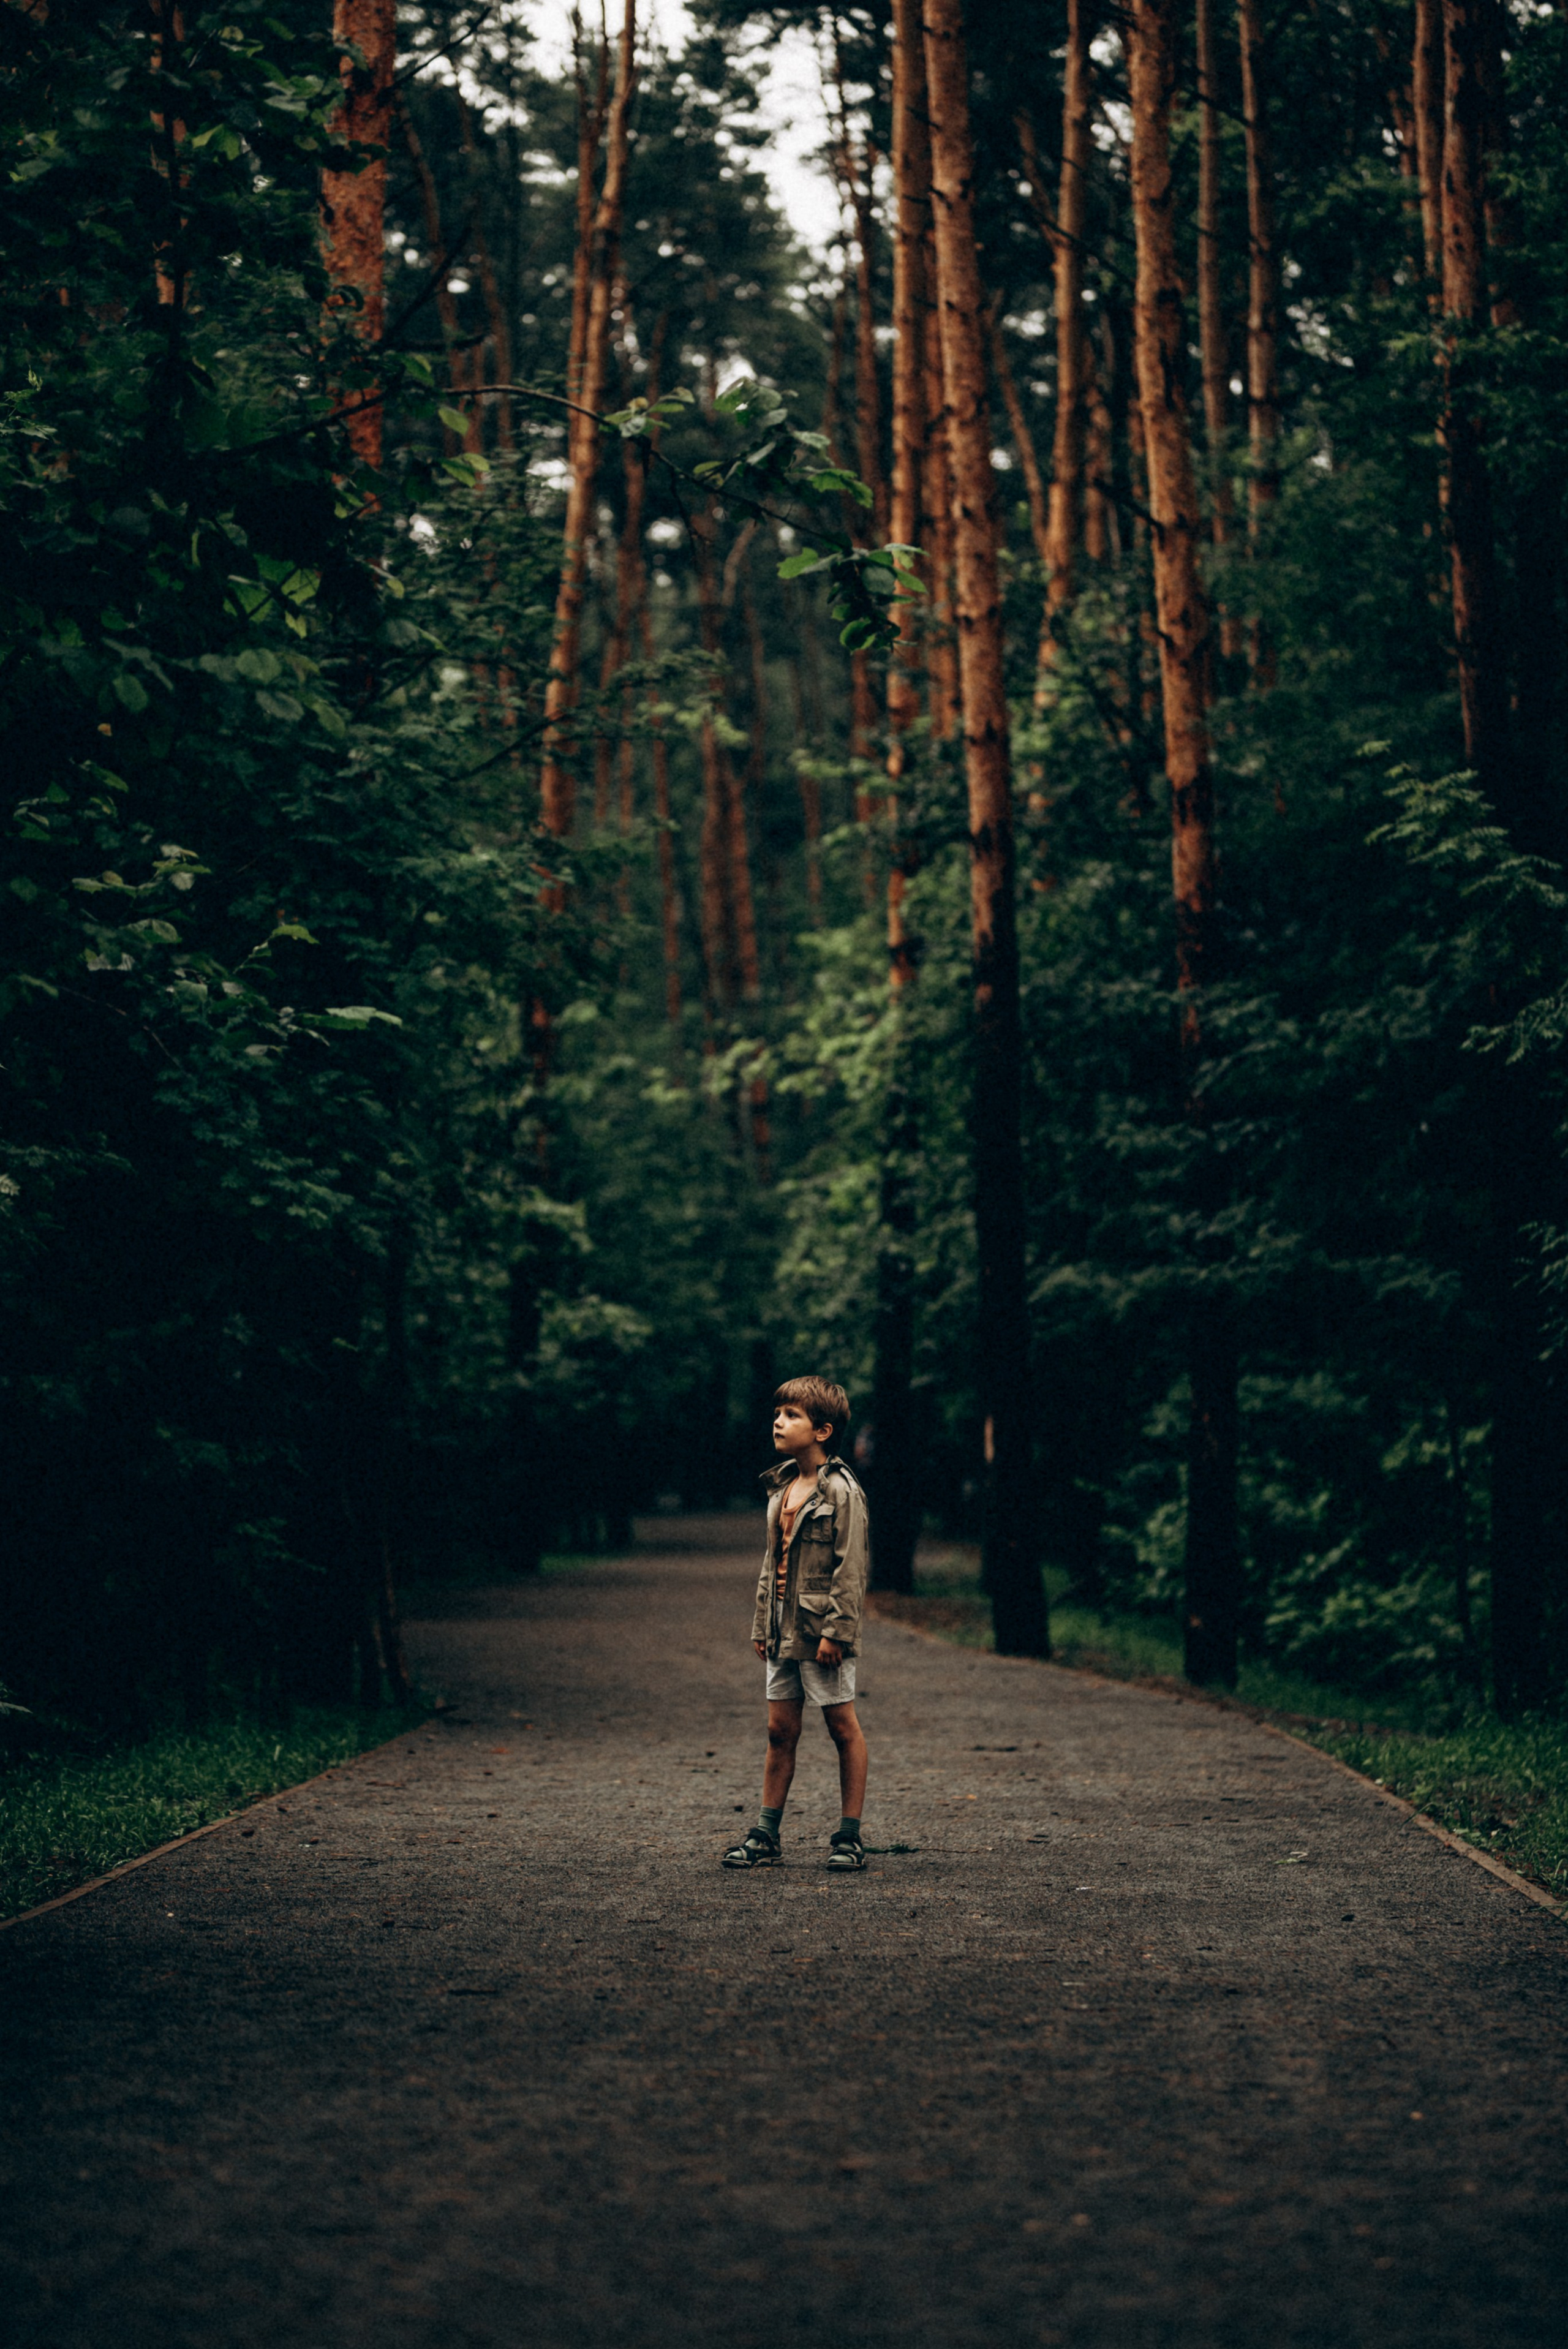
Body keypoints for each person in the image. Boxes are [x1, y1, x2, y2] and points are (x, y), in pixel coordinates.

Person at [722, 1376, 870, 1872]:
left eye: (792, 1415)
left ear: (823, 1430)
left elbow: (851, 1568)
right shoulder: (783, 1485)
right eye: (778, 1413)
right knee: (778, 1730)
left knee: (841, 1726)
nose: (779, 1422)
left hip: (820, 1633)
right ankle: (766, 1833)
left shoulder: (843, 1491)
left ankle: (849, 1837)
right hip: (781, 1631)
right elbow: (773, 1562)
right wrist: (761, 1624)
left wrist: (836, 1631)